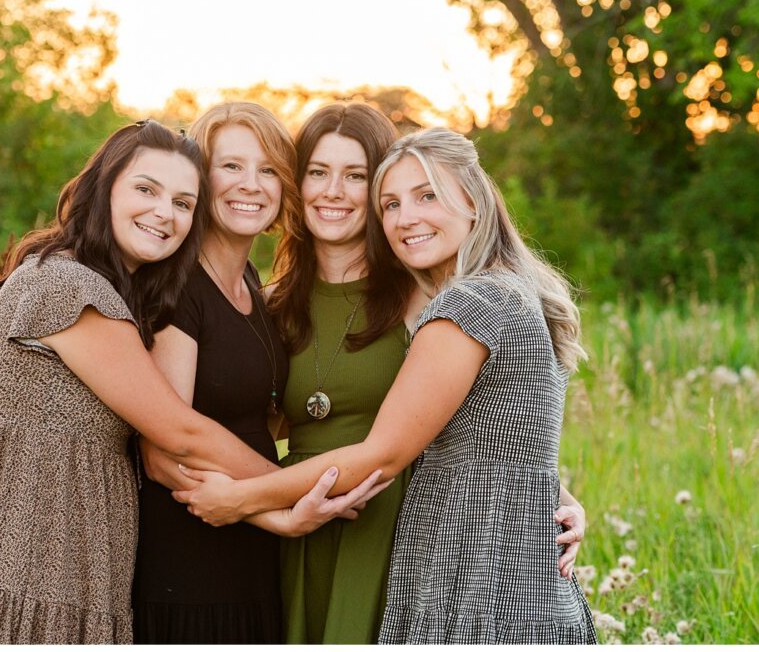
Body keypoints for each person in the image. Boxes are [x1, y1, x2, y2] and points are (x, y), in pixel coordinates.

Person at [0, 119, 382, 645]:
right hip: (28, 545)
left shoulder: (130, 289)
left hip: (80, 543)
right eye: (146, 189)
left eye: (182, 202)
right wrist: (297, 494)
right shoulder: (69, 287)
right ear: (104, 187)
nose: (164, 212)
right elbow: (178, 433)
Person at [175, 126, 599, 644]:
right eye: (392, 203)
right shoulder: (504, 292)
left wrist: (240, 499)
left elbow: (384, 453)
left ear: (474, 200)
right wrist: (548, 492)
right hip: (485, 567)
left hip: (479, 579)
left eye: (427, 196)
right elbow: (497, 435)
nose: (406, 218)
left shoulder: (470, 304)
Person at [131, 102, 297, 643]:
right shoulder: (176, 286)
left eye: (268, 170)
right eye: (231, 166)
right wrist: (287, 499)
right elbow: (166, 446)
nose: (251, 184)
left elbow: (261, 414)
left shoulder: (251, 280)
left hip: (253, 550)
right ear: (201, 179)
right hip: (191, 560)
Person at [266, 103, 421, 643]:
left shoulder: (420, 299)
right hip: (295, 522)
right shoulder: (271, 306)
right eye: (318, 172)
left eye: (355, 175)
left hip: (394, 527)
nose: (333, 191)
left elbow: (484, 417)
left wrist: (555, 496)